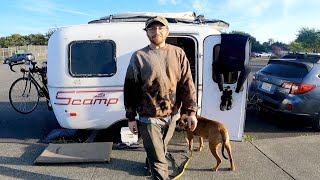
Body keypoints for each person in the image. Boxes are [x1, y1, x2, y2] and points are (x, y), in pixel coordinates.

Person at [123, 16, 198, 180]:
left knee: (160, 148)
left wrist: (191, 112)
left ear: (167, 31)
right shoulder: (139, 56)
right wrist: (131, 117)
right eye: (152, 29)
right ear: (147, 32)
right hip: (148, 117)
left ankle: (149, 162)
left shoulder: (178, 53)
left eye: (160, 28)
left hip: (172, 115)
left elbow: (187, 83)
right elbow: (130, 88)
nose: (156, 31)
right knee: (159, 159)